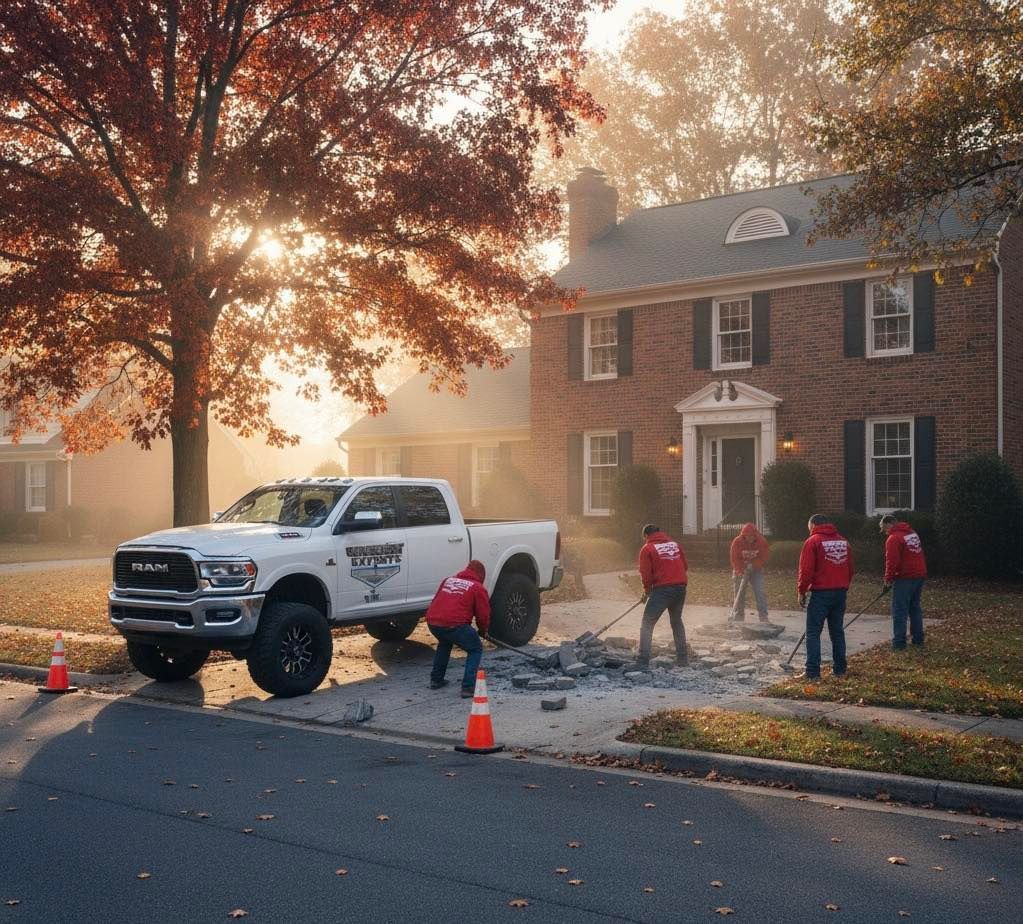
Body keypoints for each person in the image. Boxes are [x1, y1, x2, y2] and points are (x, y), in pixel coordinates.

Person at [796, 514, 854, 681]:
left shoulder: (812, 542)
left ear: (813, 525)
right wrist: (844, 585)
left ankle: (813, 672)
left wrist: (801, 591)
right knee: (837, 632)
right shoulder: (844, 541)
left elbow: (806, 570)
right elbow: (850, 568)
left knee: (813, 632)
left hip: (821, 593)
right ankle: (840, 670)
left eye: (809, 528)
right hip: (840, 592)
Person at [426, 560, 491, 697]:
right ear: (481, 575)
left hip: (433, 622)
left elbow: (437, 600)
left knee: (444, 642)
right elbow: (483, 615)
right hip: (455, 624)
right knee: (475, 648)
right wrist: (483, 630)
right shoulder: (478, 587)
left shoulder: (448, 580)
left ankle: (436, 680)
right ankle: (468, 687)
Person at [636, 524, 689, 669]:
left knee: (647, 623)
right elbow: (685, 566)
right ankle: (683, 659)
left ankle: (642, 661)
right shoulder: (674, 545)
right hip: (681, 587)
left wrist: (647, 591)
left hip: (663, 590)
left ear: (646, 536)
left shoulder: (647, 549)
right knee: (676, 622)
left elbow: (645, 574)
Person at [880, 514, 927, 649]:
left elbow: (892, 562)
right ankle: (918, 639)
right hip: (920, 574)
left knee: (899, 610)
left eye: (884, 528)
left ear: (889, 524)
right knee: (914, 607)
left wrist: (887, 580)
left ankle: (899, 643)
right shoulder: (912, 533)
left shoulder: (894, 539)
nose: (884, 532)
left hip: (906, 577)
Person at [729, 522, 770, 622]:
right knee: (739, 593)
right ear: (743, 535)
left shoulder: (761, 542)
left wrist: (754, 565)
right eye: (747, 536)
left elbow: (764, 557)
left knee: (760, 591)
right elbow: (734, 558)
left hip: (756, 570)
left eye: (752, 536)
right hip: (741, 569)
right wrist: (739, 570)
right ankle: (739, 616)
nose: (750, 538)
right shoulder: (737, 542)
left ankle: (763, 616)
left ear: (755, 535)